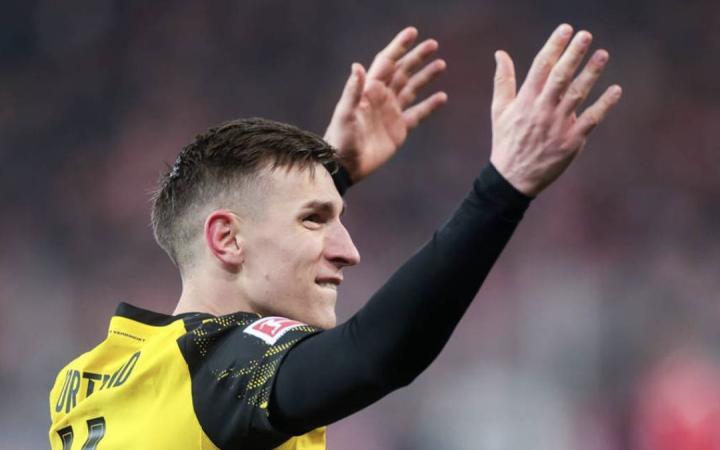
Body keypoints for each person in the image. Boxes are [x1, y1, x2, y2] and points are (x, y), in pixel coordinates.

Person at [48, 24, 621, 450]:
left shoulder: (87, 380)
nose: (350, 252)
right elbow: (374, 355)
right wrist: (504, 187)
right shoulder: (220, 370)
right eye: (315, 220)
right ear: (226, 240)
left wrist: (327, 174)